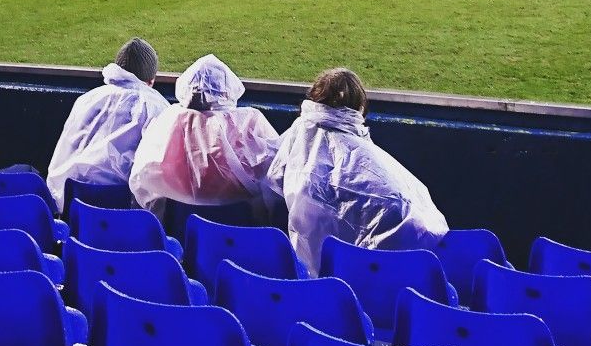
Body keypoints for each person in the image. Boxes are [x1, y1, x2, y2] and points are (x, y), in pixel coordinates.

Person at [269, 68, 449, 274]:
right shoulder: (382, 181)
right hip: (366, 278)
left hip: (309, 276)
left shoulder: (300, 134)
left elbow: (273, 182)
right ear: (360, 107)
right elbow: (421, 230)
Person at [128, 54, 281, 217]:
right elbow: (275, 177)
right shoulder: (248, 123)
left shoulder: (167, 121)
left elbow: (141, 182)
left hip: (180, 234)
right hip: (240, 234)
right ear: (227, 91)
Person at [45, 38, 168, 206]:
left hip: (70, 203)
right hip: (118, 211)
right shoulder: (157, 107)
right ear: (152, 80)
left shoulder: (87, 99)